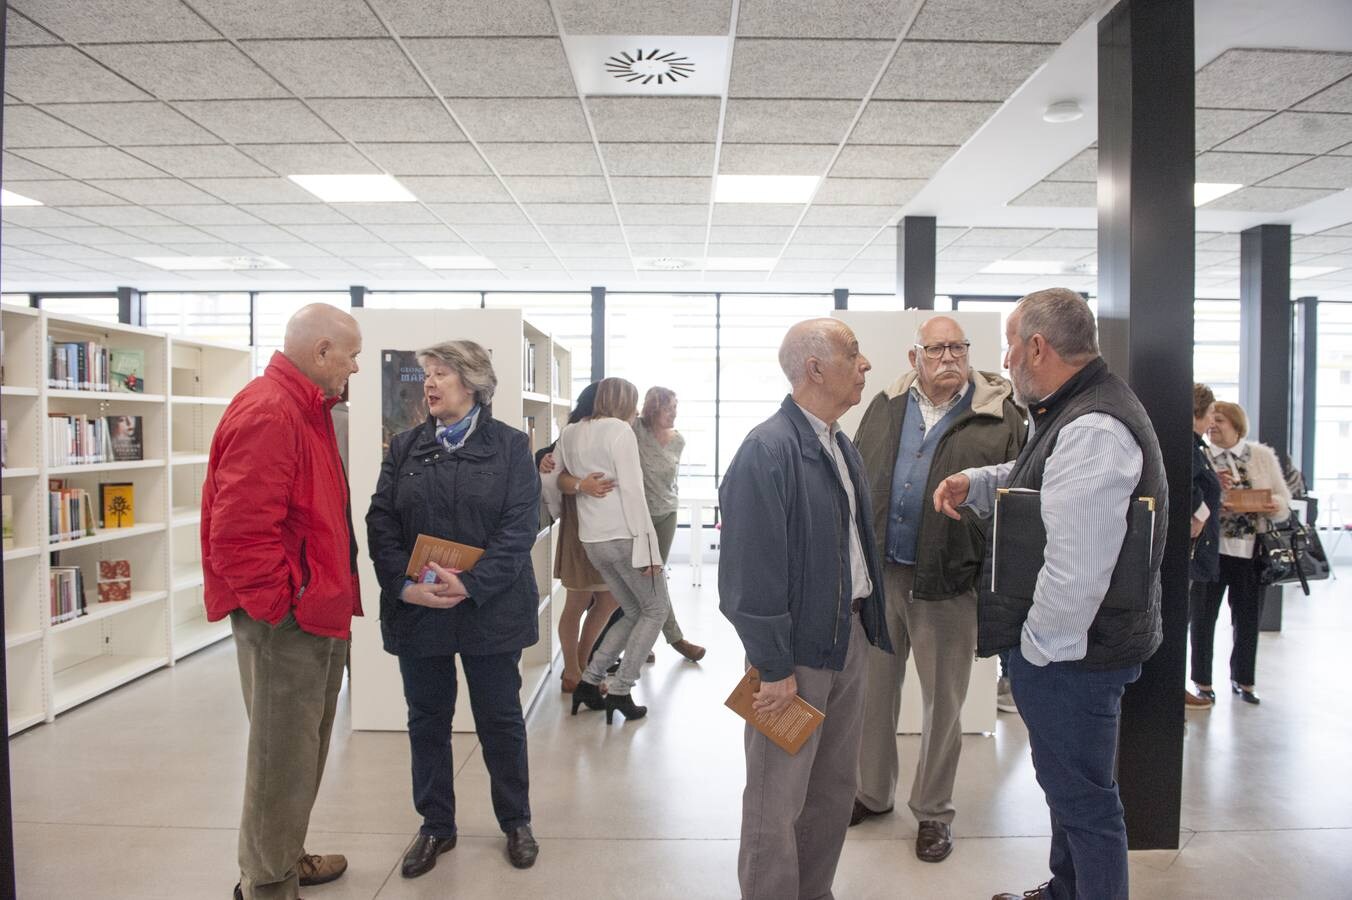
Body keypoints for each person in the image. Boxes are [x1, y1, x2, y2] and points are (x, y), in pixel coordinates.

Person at [932, 288, 1167, 900]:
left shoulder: (1093, 426)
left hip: (1073, 657)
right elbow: (1046, 481)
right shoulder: (1077, 410)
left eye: (1010, 346)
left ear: (1037, 346)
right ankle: (1066, 891)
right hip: (1075, 653)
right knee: (1070, 791)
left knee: (1086, 805)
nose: (1004, 361)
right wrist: (979, 482)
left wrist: (1036, 652)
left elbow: (1077, 566)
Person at [719, 318, 892, 900]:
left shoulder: (838, 443)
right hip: (791, 662)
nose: (865, 364)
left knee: (833, 791)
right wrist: (772, 667)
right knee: (777, 800)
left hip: (848, 640)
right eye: (853, 352)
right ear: (815, 368)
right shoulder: (767, 450)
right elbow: (748, 576)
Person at [850, 315, 1026, 864]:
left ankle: (932, 811)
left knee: (943, 703)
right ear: (914, 358)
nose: (949, 357)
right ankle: (872, 793)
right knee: (874, 693)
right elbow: (860, 475)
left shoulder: (999, 415)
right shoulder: (884, 407)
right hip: (883, 574)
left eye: (958, 347)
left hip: (950, 578)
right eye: (937, 349)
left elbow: (1019, 491)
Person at [201, 303, 362, 900]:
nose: (356, 367)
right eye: (351, 355)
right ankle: (267, 884)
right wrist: (281, 606)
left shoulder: (307, 407)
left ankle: (285, 856)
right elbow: (238, 531)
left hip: (316, 608)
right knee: (280, 756)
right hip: (288, 620)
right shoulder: (271, 410)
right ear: (321, 353)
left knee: (304, 747)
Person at [366, 340, 541, 877]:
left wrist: (471, 583)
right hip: (420, 610)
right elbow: (381, 523)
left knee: (500, 719)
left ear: (473, 382)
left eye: (441, 374)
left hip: (490, 607)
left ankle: (516, 820)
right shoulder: (404, 447)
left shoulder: (511, 446)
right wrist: (402, 585)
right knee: (427, 721)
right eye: (427, 375)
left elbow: (519, 529)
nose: (430, 384)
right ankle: (436, 826)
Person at [555, 376, 671, 723]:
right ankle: (621, 688)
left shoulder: (572, 432)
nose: (636, 411)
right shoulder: (620, 432)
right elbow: (633, 492)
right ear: (624, 403)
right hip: (624, 536)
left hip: (593, 540)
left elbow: (558, 477)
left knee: (636, 611)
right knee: (656, 610)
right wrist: (649, 549)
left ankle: (589, 682)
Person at [1191, 400, 1290, 706]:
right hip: (1213, 550)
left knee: (1248, 618)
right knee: (1203, 618)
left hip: (1251, 552)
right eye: (1212, 419)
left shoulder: (1261, 456)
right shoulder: (1203, 455)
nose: (1213, 426)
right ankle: (1202, 681)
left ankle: (1244, 679)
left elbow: (1282, 497)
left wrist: (1274, 505)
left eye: (1220, 420)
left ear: (1236, 424)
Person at [537, 382, 621, 693]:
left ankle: (581, 666)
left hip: (606, 527)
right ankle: (573, 670)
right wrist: (573, 494)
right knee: (578, 599)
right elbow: (551, 475)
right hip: (580, 524)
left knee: (608, 598)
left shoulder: (613, 433)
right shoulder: (573, 434)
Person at [633, 386, 706, 662]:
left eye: (676, 407)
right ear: (653, 408)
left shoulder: (678, 440)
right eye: (669, 408)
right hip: (639, 516)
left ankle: (652, 641)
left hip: (667, 514)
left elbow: (670, 481)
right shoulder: (636, 430)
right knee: (646, 582)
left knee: (654, 579)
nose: (674, 413)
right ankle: (673, 639)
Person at [1186, 383, 1222, 710]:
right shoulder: (1189, 447)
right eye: (1211, 412)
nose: (1213, 420)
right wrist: (1200, 514)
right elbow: (1187, 483)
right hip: (1191, 548)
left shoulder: (1196, 446)